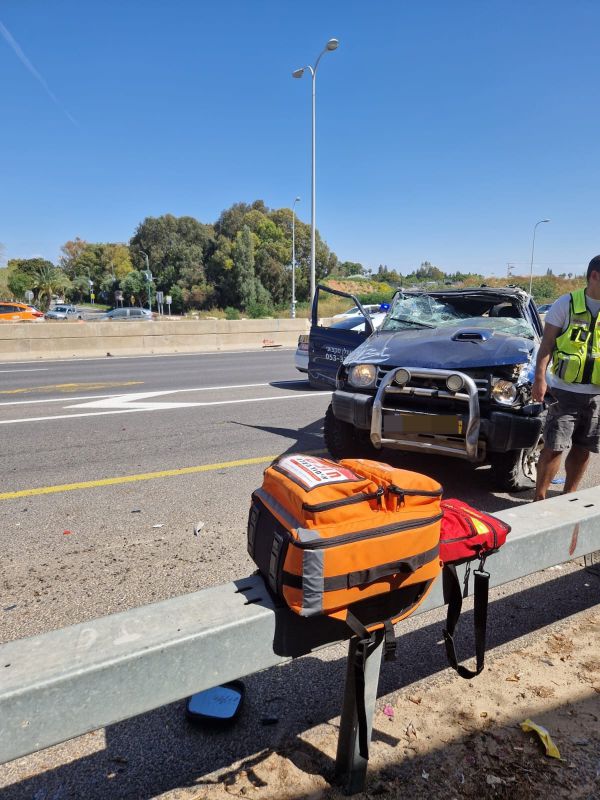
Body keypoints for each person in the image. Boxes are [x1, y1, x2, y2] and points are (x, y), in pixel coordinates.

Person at [532, 255, 600, 501]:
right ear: (594, 275)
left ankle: (569, 496)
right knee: (554, 447)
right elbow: (546, 345)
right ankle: (538, 499)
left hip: (597, 393)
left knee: (583, 449)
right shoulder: (566, 304)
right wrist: (539, 378)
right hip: (565, 391)